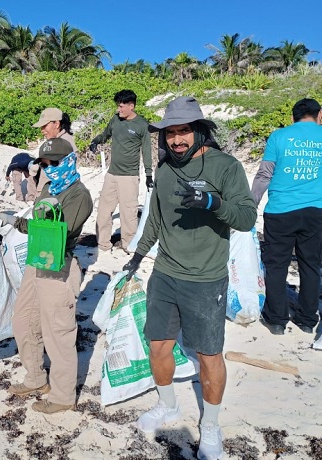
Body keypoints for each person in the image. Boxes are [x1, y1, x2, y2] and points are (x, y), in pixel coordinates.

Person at [122, 97, 256, 460]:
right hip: (164, 273)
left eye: (184, 131)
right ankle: (169, 406)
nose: (177, 140)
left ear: (200, 132)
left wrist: (213, 203)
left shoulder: (226, 166)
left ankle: (210, 427)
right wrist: (137, 256)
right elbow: (155, 218)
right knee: (158, 345)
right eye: (170, 133)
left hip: (207, 280)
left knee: (209, 354)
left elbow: (246, 219)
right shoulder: (165, 169)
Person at [0, 138, 93, 414]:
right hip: (36, 262)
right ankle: (36, 378)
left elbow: (55, 232)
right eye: (45, 164)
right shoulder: (48, 187)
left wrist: (17, 222)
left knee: (58, 333)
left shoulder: (79, 195)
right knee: (23, 321)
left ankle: (62, 396)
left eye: (55, 163)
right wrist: (17, 220)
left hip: (59, 266)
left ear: (69, 162)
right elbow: (39, 222)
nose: (49, 169)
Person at [251, 98, 322, 335]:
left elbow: (264, 174)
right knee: (311, 265)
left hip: (281, 211)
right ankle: (306, 319)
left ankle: (276, 319)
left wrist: (251, 204)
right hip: (316, 212)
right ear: (319, 115)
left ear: (292, 117)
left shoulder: (279, 137)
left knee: (276, 265)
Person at [90, 90, 153, 252]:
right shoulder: (115, 120)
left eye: (121, 106)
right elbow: (105, 135)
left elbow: (146, 151)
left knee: (128, 215)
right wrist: (96, 141)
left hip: (129, 178)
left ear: (131, 106)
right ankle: (103, 244)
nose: (119, 110)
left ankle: (128, 245)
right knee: (103, 212)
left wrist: (148, 174)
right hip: (111, 175)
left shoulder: (142, 125)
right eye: (118, 106)